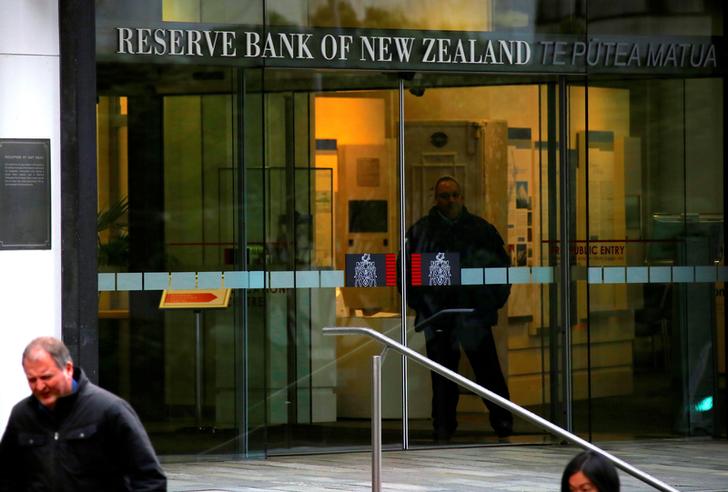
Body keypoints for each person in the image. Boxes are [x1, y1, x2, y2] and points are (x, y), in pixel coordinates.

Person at [404, 175, 512, 441]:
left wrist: (490, 303)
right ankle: (443, 425)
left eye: (454, 195)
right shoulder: (421, 232)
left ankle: (503, 421)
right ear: (436, 199)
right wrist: (422, 306)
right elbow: (405, 272)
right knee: (442, 378)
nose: (450, 201)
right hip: (438, 317)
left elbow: (501, 270)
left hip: (474, 315)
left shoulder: (481, 230)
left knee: (488, 371)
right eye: (444, 196)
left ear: (461, 197)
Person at [0, 336, 167, 491]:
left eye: (46, 377)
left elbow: (150, 479)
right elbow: (7, 477)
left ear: (68, 369)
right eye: (32, 379)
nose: (40, 386)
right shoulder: (22, 416)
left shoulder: (109, 410)